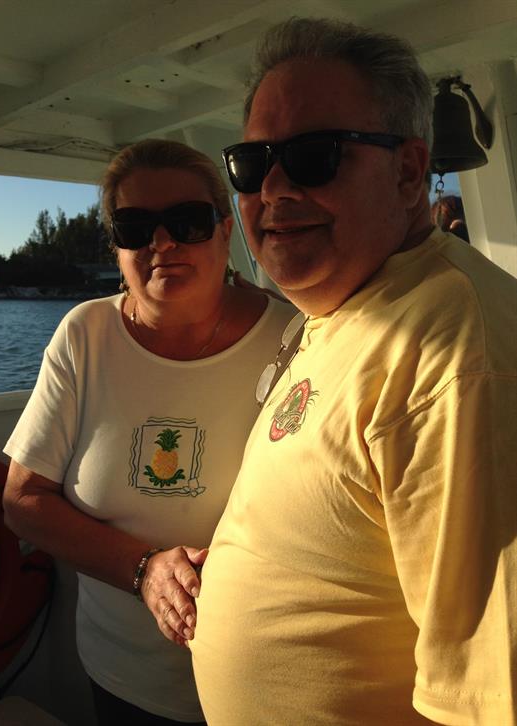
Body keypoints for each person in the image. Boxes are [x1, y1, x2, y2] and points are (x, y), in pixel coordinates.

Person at [190, 17, 517, 726]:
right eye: (251, 163)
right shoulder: (344, 306)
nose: (274, 187)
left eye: (313, 156)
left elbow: (486, 698)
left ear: (408, 171)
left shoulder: (455, 348)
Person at [2, 138, 294, 725]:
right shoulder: (85, 336)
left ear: (225, 232)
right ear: (117, 249)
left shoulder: (293, 339)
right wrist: (144, 569)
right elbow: (23, 500)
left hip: (259, 679)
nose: (162, 242)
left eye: (187, 222)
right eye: (135, 228)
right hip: (121, 676)